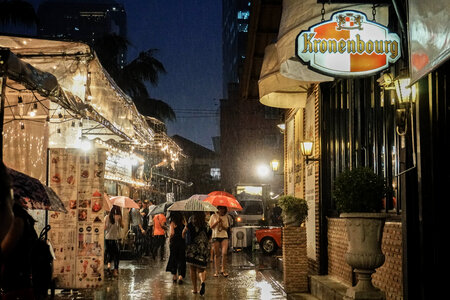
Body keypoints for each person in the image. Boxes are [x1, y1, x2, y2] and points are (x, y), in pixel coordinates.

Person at [1, 163, 37, 299]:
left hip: (16, 283)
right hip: (18, 280)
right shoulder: (20, 215)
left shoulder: (17, 218)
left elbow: (5, 250)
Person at [183, 211, 210, 295]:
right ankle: (202, 282)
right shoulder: (207, 225)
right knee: (201, 269)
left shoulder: (190, 224)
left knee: (192, 269)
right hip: (203, 249)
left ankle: (195, 289)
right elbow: (209, 237)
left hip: (192, 250)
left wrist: (185, 230)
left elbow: (183, 234)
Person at [209, 206, 230, 277]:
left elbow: (226, 228)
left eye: (223, 208)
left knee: (224, 253)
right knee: (217, 254)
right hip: (215, 236)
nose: (221, 210)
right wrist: (217, 221)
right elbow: (211, 226)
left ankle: (223, 270)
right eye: (220, 208)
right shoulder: (213, 216)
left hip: (224, 236)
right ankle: (216, 271)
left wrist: (221, 223)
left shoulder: (226, 217)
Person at [165, 212, 186, 284]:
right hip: (182, 242)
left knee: (174, 258)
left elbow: (172, 233)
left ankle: (174, 276)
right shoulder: (183, 221)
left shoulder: (173, 222)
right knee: (181, 259)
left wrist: (169, 239)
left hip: (174, 242)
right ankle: (181, 276)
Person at [104, 205, 123, 277]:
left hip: (107, 238)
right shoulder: (118, 218)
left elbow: (105, 228)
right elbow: (122, 226)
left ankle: (108, 267)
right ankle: (115, 270)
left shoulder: (106, 217)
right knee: (117, 255)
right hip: (114, 239)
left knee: (109, 253)